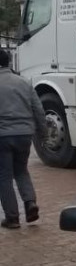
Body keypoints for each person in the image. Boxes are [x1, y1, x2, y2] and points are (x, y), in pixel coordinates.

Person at [0, 50, 41, 229]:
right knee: (22, 171)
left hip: (2, 136)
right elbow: (38, 110)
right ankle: (30, 202)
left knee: (4, 177)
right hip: (25, 134)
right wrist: (44, 133)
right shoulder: (24, 82)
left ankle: (12, 218)